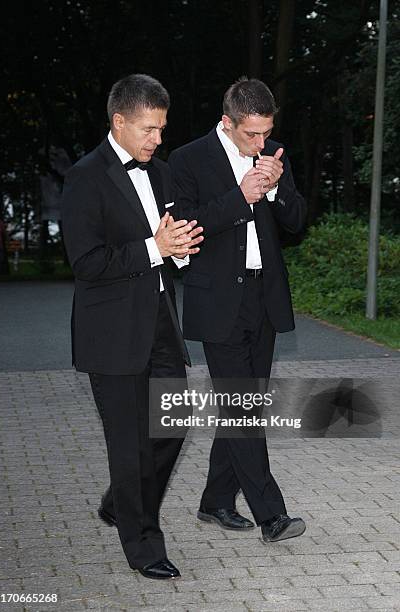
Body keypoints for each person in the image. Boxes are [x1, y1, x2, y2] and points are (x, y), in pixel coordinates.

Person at [61, 74, 203, 580]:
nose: (157, 140)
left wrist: (179, 252)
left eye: (162, 129)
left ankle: (122, 503)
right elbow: (87, 262)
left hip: (162, 325)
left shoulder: (161, 174)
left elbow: (167, 245)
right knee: (131, 446)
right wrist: (155, 249)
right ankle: (144, 546)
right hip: (113, 335)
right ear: (118, 121)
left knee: (172, 428)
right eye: (148, 129)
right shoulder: (85, 177)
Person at [168, 77, 307, 543]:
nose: (261, 142)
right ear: (227, 122)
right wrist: (241, 196)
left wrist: (272, 190)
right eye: (252, 133)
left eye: (267, 132)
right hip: (218, 300)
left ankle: (216, 501)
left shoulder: (274, 155)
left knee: (244, 407)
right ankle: (272, 515)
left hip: (264, 298)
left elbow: (297, 221)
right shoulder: (188, 159)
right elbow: (186, 226)